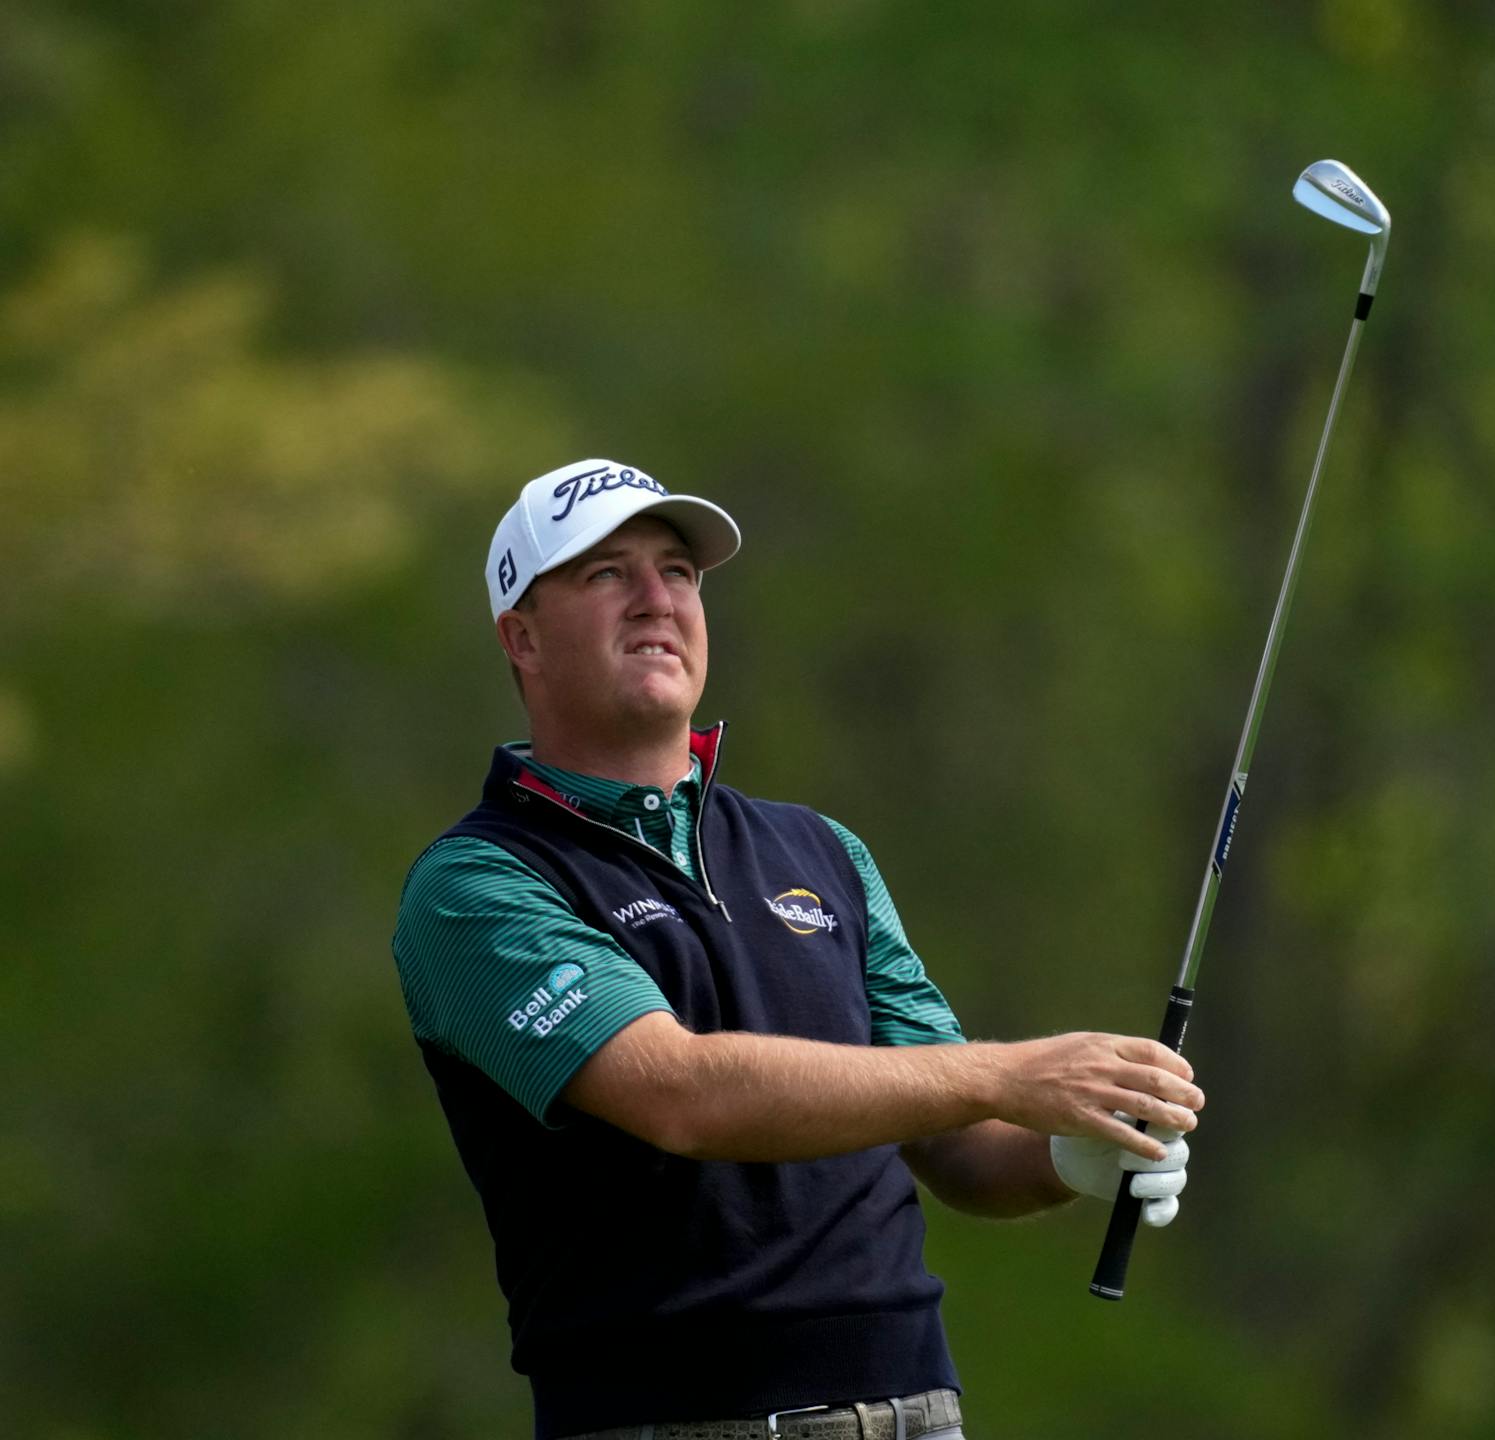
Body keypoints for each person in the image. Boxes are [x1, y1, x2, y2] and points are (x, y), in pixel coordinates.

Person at [392, 459, 1203, 1440]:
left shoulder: (821, 851)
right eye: (607, 573)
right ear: (521, 636)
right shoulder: (479, 886)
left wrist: (1071, 1156)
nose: (657, 598)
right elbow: (680, 1093)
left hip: (917, 1412)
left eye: (679, 572)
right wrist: (1010, 1071)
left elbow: (957, 1142)